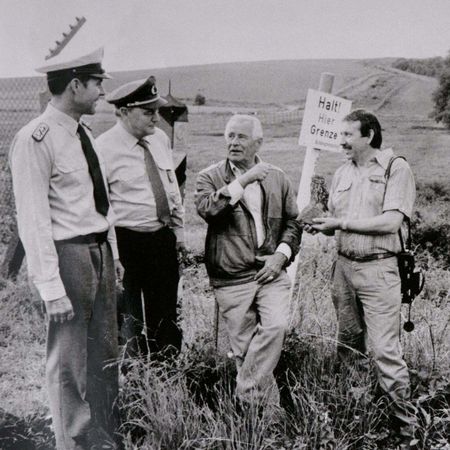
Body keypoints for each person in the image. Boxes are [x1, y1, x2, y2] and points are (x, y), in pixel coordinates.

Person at [9, 48, 119, 449]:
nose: (102, 92)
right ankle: (72, 441)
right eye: (97, 83)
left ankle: (101, 436)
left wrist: (113, 258)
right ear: (75, 85)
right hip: (68, 257)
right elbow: (34, 221)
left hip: (98, 254)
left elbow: (102, 206)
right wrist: (51, 288)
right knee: (69, 361)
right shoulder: (35, 139)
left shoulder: (83, 134)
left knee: (105, 354)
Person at [310, 109, 417, 441]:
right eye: (339, 136)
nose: (340, 142)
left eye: (347, 136)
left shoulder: (395, 168)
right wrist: (320, 224)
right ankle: (358, 413)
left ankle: (405, 428)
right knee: (349, 344)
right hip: (343, 269)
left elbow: (390, 222)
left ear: (368, 136)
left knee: (385, 349)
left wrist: (339, 223)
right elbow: (336, 220)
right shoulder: (342, 172)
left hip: (379, 270)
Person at [195, 114, 302, 408]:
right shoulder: (209, 177)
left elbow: (293, 223)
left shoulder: (278, 177)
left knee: (276, 326)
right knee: (244, 351)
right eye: (229, 135)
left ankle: (244, 395)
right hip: (231, 276)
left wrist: (281, 256)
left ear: (258, 142)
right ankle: (269, 423)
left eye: (241, 137)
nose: (233, 142)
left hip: (271, 271)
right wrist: (243, 180)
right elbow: (207, 210)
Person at [96, 76, 185, 360]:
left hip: (160, 238)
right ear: (123, 112)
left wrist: (178, 235)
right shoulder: (102, 149)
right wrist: (114, 255)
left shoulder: (158, 139)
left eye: (157, 111)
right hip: (125, 241)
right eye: (148, 112)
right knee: (128, 319)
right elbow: (100, 207)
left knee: (166, 317)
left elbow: (171, 189)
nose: (157, 119)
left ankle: (167, 377)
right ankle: (134, 381)